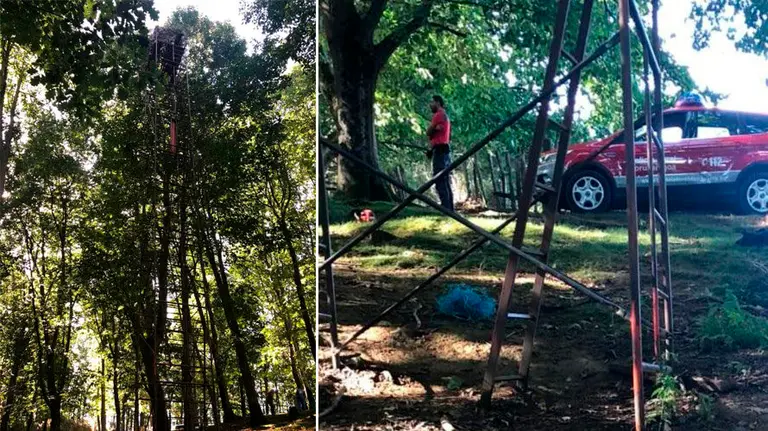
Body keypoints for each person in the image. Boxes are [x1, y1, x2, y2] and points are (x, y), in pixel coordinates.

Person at [426, 95, 454, 211]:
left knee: (440, 178)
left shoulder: (439, 115)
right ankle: (449, 208)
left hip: (441, 150)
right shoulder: (444, 115)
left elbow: (429, 132)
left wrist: (432, 130)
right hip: (441, 149)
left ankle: (446, 208)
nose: (430, 104)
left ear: (437, 102)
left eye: (431, 102)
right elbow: (434, 134)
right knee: (444, 179)